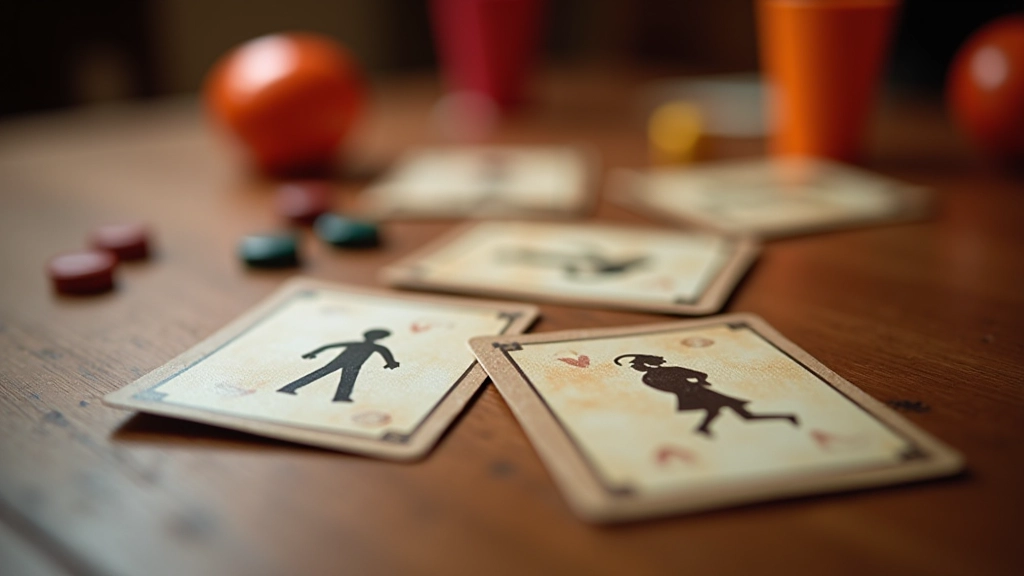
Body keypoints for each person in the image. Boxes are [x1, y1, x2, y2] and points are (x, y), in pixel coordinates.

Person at [614, 353, 798, 437]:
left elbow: (695, 376)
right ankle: (786, 417)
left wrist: (694, 384)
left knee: (719, 410)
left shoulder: (650, 377)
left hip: (694, 393)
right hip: (697, 393)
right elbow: (697, 375)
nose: (661, 359)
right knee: (738, 412)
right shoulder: (662, 373)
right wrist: (697, 383)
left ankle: (703, 428)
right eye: (657, 359)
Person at [278, 329, 399, 402]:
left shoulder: (376, 347)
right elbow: (387, 356)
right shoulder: (376, 347)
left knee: (347, 381)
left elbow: (387, 356)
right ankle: (288, 388)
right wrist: (391, 363)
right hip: (344, 362)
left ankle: (342, 397)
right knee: (319, 375)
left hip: (354, 365)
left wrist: (391, 363)